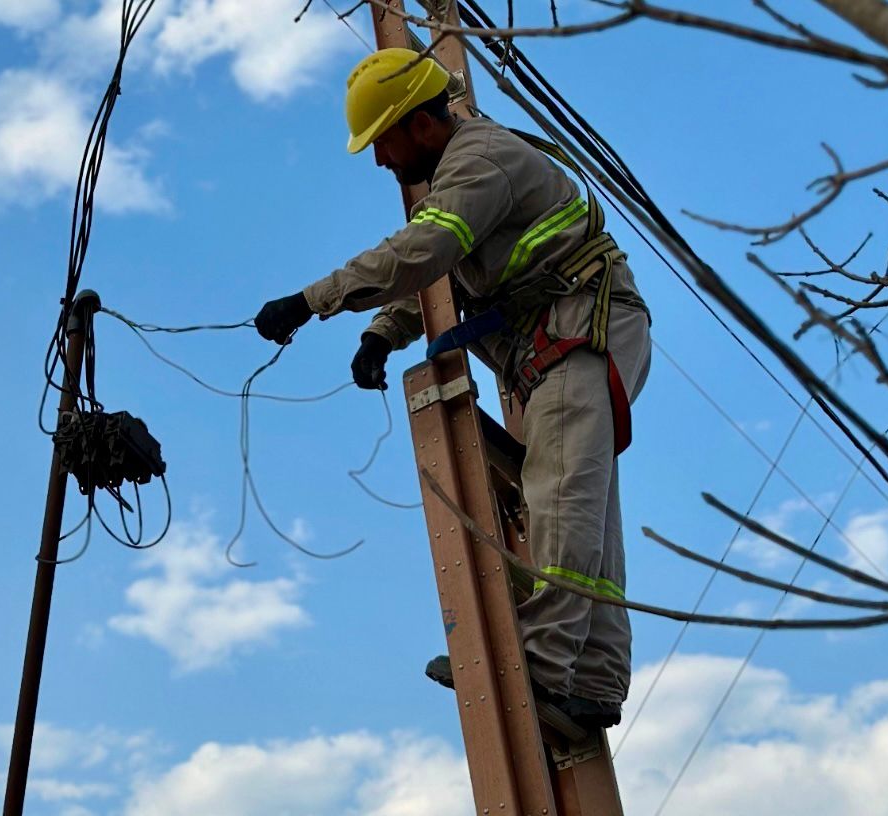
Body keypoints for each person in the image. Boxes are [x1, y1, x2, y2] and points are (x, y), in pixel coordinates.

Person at [255, 48, 651, 729]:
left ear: (418, 125)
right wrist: (384, 331)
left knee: (561, 501)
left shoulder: (478, 158)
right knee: (586, 516)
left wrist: (310, 300)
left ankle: (545, 666)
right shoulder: (462, 175)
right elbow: (443, 269)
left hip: (578, 335)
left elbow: (424, 252)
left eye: (381, 143)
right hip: (571, 339)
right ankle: (593, 683)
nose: (380, 162)